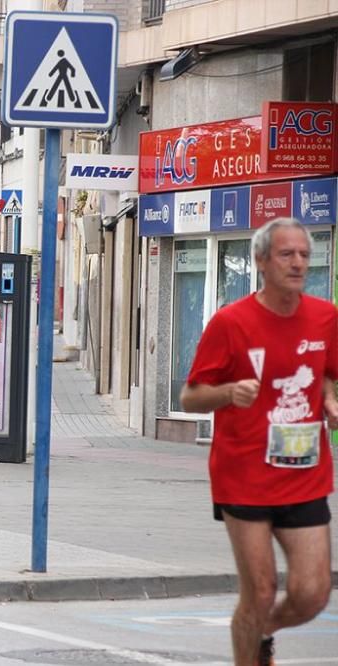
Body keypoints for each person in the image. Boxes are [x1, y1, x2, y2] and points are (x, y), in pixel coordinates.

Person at [180, 218, 336, 666]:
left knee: (312, 593)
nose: (298, 263)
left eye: (304, 254)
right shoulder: (231, 323)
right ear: (261, 261)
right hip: (243, 475)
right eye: (287, 254)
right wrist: (229, 393)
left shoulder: (326, 318)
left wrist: (328, 398)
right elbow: (190, 397)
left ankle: (263, 631)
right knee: (261, 590)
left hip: (304, 472)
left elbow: (327, 369)